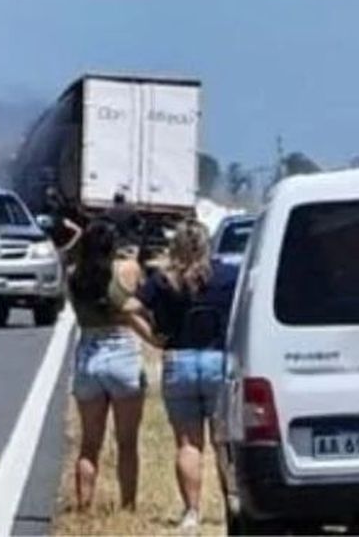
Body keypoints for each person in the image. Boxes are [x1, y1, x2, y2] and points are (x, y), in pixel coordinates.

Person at [137, 221, 239, 534]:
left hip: (178, 361)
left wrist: (153, 337)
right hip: (217, 363)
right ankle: (230, 507)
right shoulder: (227, 276)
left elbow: (128, 306)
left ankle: (192, 512)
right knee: (223, 443)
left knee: (187, 444)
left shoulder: (164, 280)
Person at [68, 219, 154, 511]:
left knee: (89, 442)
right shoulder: (127, 270)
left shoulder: (74, 276)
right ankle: (128, 505)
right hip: (122, 354)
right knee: (127, 442)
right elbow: (140, 299)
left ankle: (84, 505)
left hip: (88, 355)